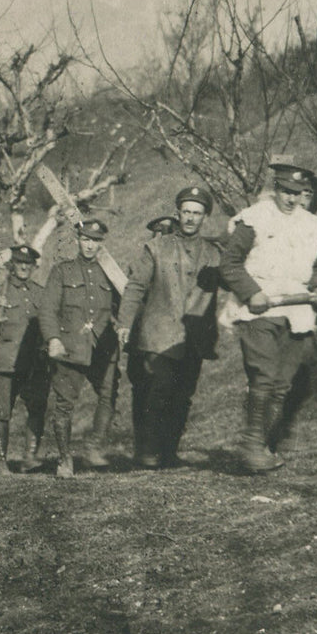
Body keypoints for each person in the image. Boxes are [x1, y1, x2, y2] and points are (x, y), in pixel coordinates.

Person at [220, 161, 317, 473]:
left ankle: (264, 447)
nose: (292, 199)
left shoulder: (312, 225)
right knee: (264, 376)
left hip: (297, 311)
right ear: (276, 189)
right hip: (259, 308)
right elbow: (229, 263)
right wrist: (250, 291)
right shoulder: (253, 218)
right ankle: (251, 445)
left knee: (282, 384)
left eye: (298, 193)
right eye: (286, 191)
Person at [117, 187, 222, 468]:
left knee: (183, 394)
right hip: (159, 334)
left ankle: (169, 451)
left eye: (196, 213)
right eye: (186, 212)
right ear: (178, 213)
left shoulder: (215, 253)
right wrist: (125, 322)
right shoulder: (156, 247)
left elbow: (233, 277)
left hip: (195, 337)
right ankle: (148, 451)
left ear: (205, 217)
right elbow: (136, 286)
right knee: (159, 388)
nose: (190, 218)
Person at [40, 219, 121, 477]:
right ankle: (65, 459)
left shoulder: (110, 273)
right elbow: (48, 309)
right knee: (64, 405)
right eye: (85, 239)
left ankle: (94, 447)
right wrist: (53, 338)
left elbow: (124, 306)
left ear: (101, 244)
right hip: (70, 346)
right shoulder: (62, 271)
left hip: (103, 347)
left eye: (95, 241)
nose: (89, 245)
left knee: (109, 394)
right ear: (78, 240)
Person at [0, 245, 47, 474]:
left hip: (33, 363)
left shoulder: (40, 293)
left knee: (37, 408)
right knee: (2, 413)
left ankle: (29, 457)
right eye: (20, 263)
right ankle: (1, 461)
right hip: (5, 363)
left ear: (33, 267)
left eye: (28, 264)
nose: (24, 267)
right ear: (12, 265)